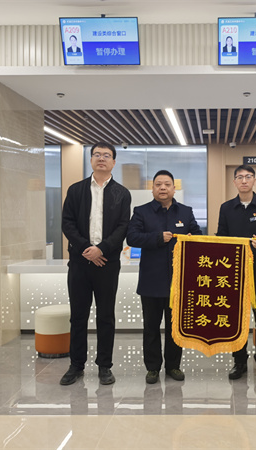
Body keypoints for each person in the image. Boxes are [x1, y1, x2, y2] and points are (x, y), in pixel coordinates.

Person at [60, 142, 131, 386]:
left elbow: (123, 227)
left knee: (106, 316)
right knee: (78, 316)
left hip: (107, 264)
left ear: (113, 162)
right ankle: (76, 365)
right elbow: (67, 223)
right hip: (79, 263)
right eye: (97, 154)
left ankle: (104, 366)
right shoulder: (76, 190)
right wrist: (86, 250)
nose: (101, 158)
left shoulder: (122, 193)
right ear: (90, 160)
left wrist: (102, 249)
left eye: (106, 155)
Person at [127, 170, 202, 384]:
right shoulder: (141, 211)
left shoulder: (185, 211)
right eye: (158, 184)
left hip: (178, 281)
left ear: (173, 189)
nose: (162, 188)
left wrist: (192, 238)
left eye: (167, 184)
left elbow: (198, 235)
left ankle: (173, 366)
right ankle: (152, 368)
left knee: (174, 327)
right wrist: (157, 238)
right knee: (151, 327)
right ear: (152, 189)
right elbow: (132, 237)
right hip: (151, 280)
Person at [217, 165, 256, 383]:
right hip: (234, 275)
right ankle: (239, 362)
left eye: (248, 177)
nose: (244, 180)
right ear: (234, 182)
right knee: (237, 322)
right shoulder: (226, 208)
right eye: (240, 177)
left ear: (254, 180)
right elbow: (221, 237)